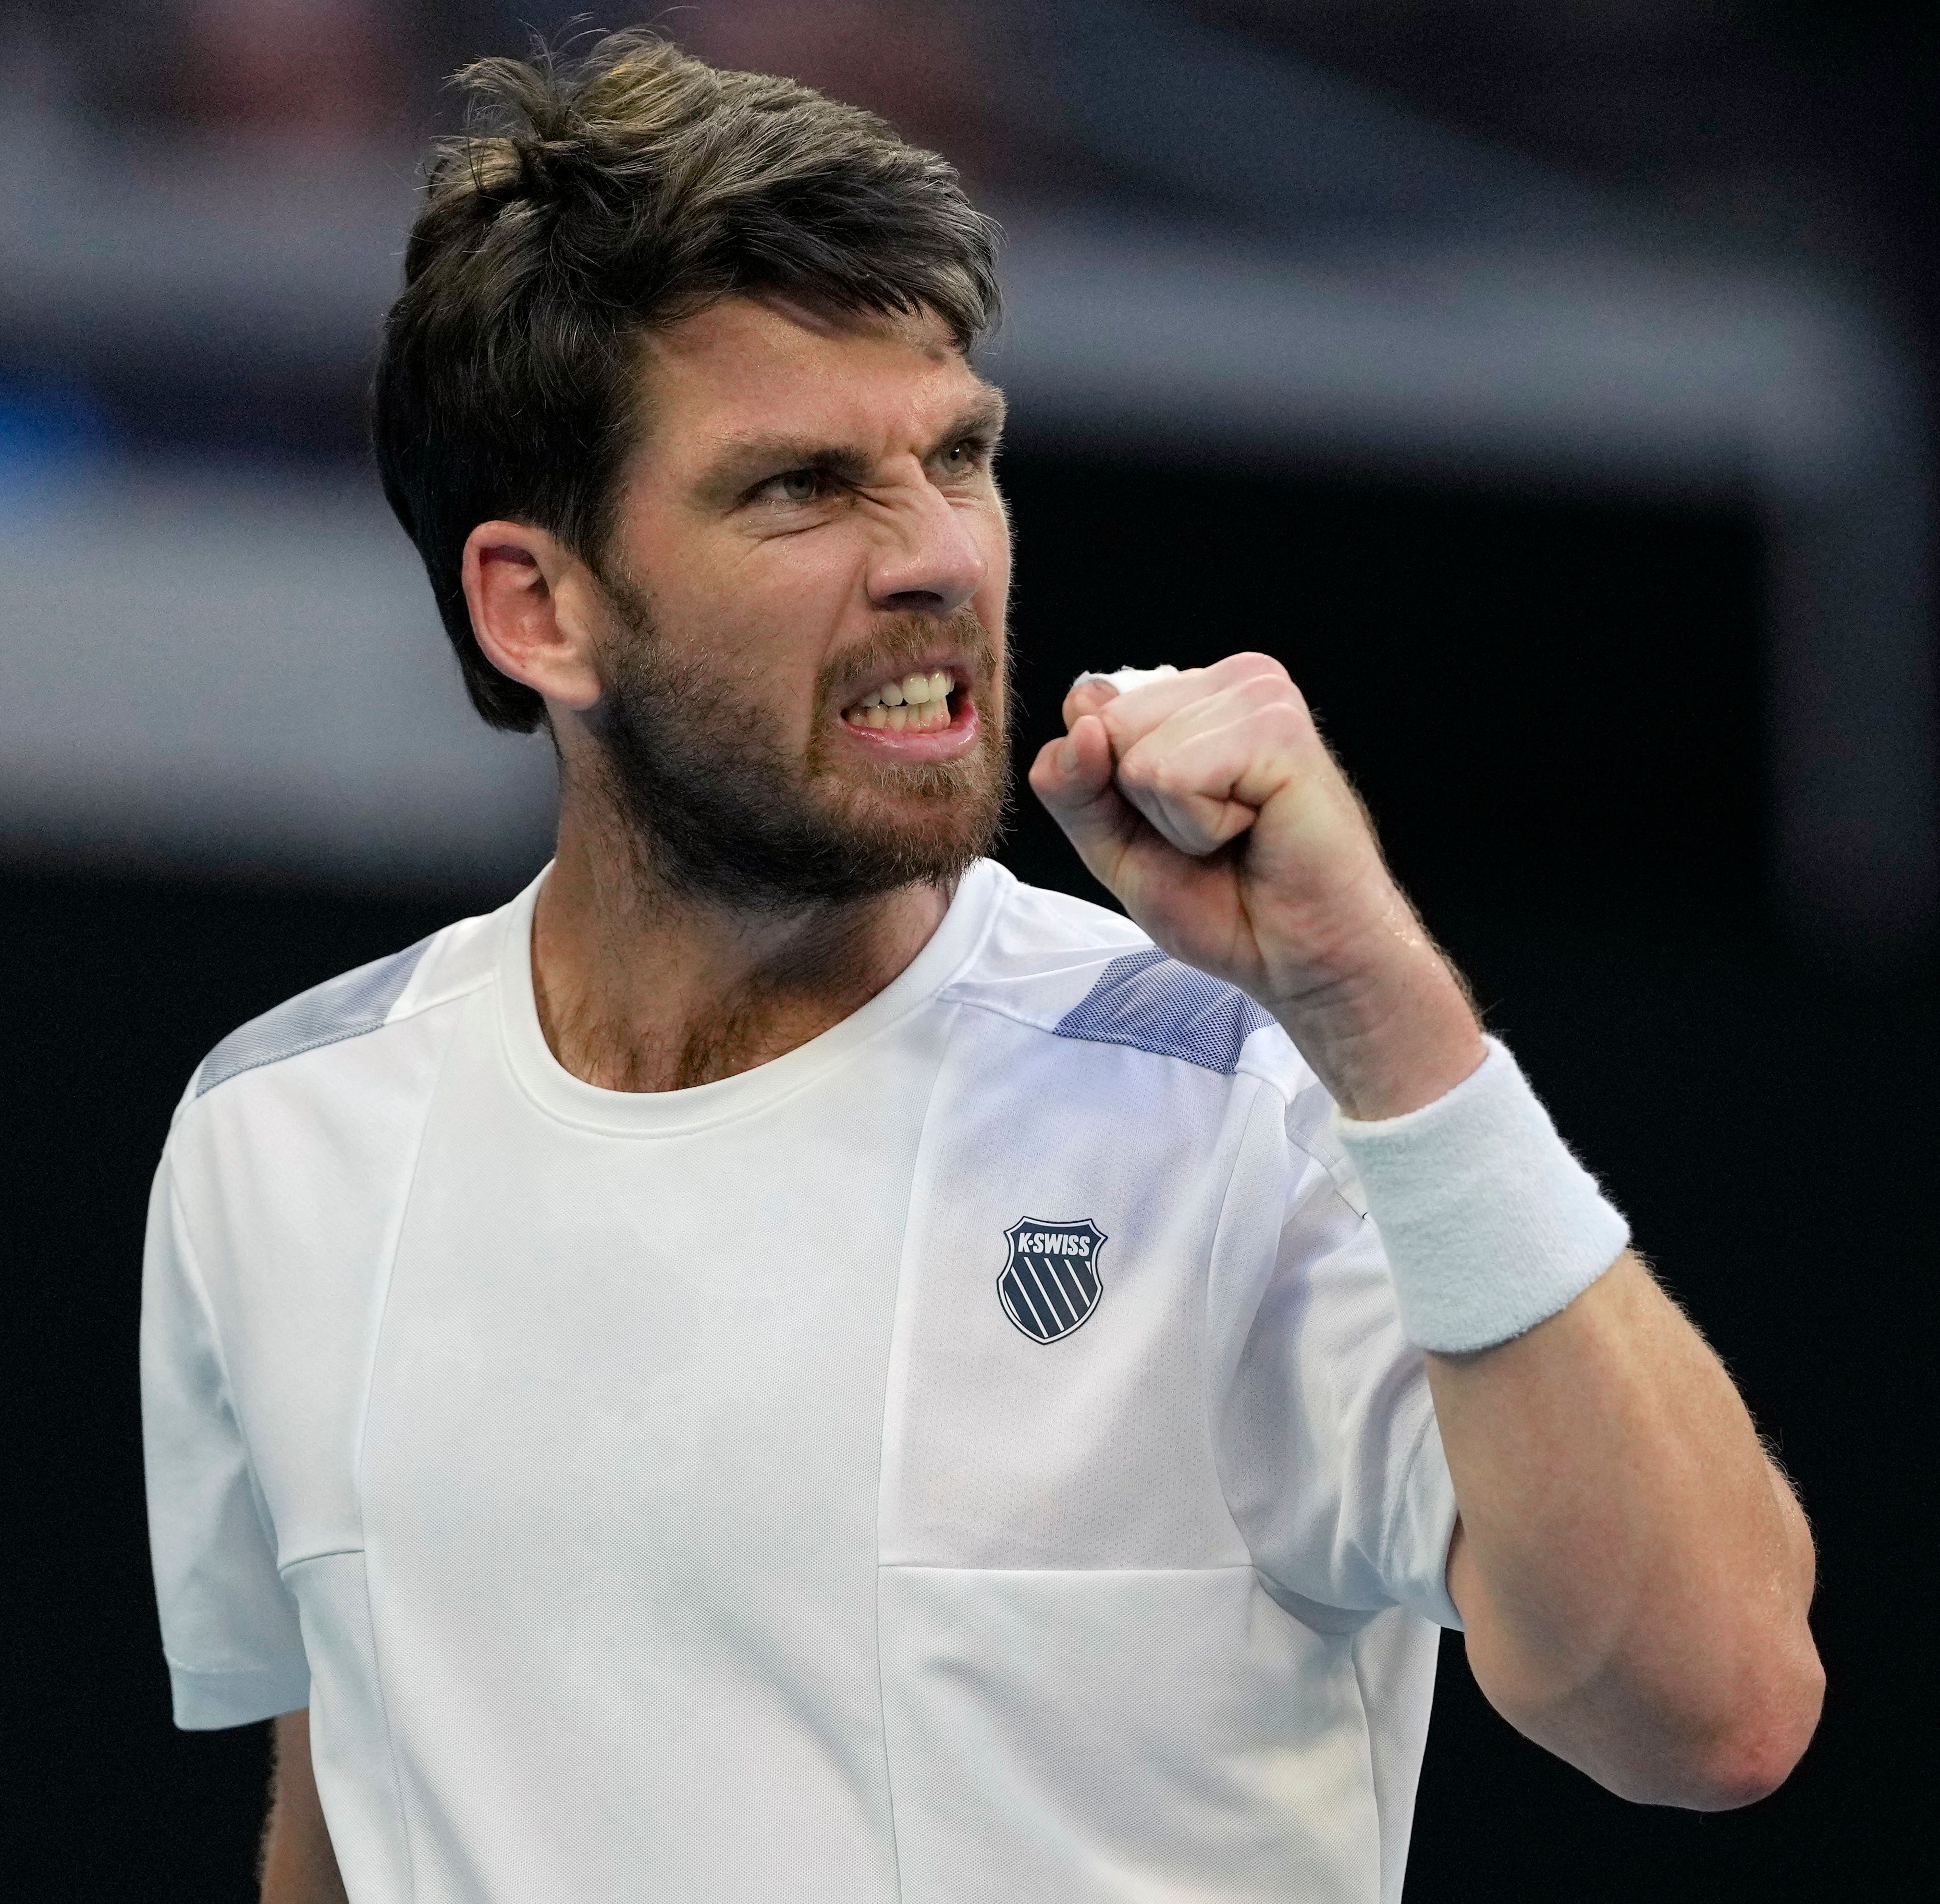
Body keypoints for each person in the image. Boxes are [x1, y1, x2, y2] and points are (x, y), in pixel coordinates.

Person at [140, 31, 1820, 1904]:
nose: (938, 555)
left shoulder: (1238, 1100)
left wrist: (1387, 1017)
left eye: (960, 456)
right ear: (541, 606)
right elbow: (349, 1816)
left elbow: (1715, 1707)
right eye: (799, 489)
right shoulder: (273, 1139)